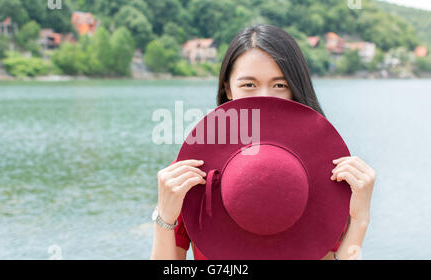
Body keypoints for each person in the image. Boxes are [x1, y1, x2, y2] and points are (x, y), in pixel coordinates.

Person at [151, 24, 375, 260]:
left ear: (296, 88)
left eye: (280, 85)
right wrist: (164, 217)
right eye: (249, 85)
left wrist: (359, 222)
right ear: (228, 88)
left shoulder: (330, 173)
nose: (265, 98)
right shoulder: (191, 170)